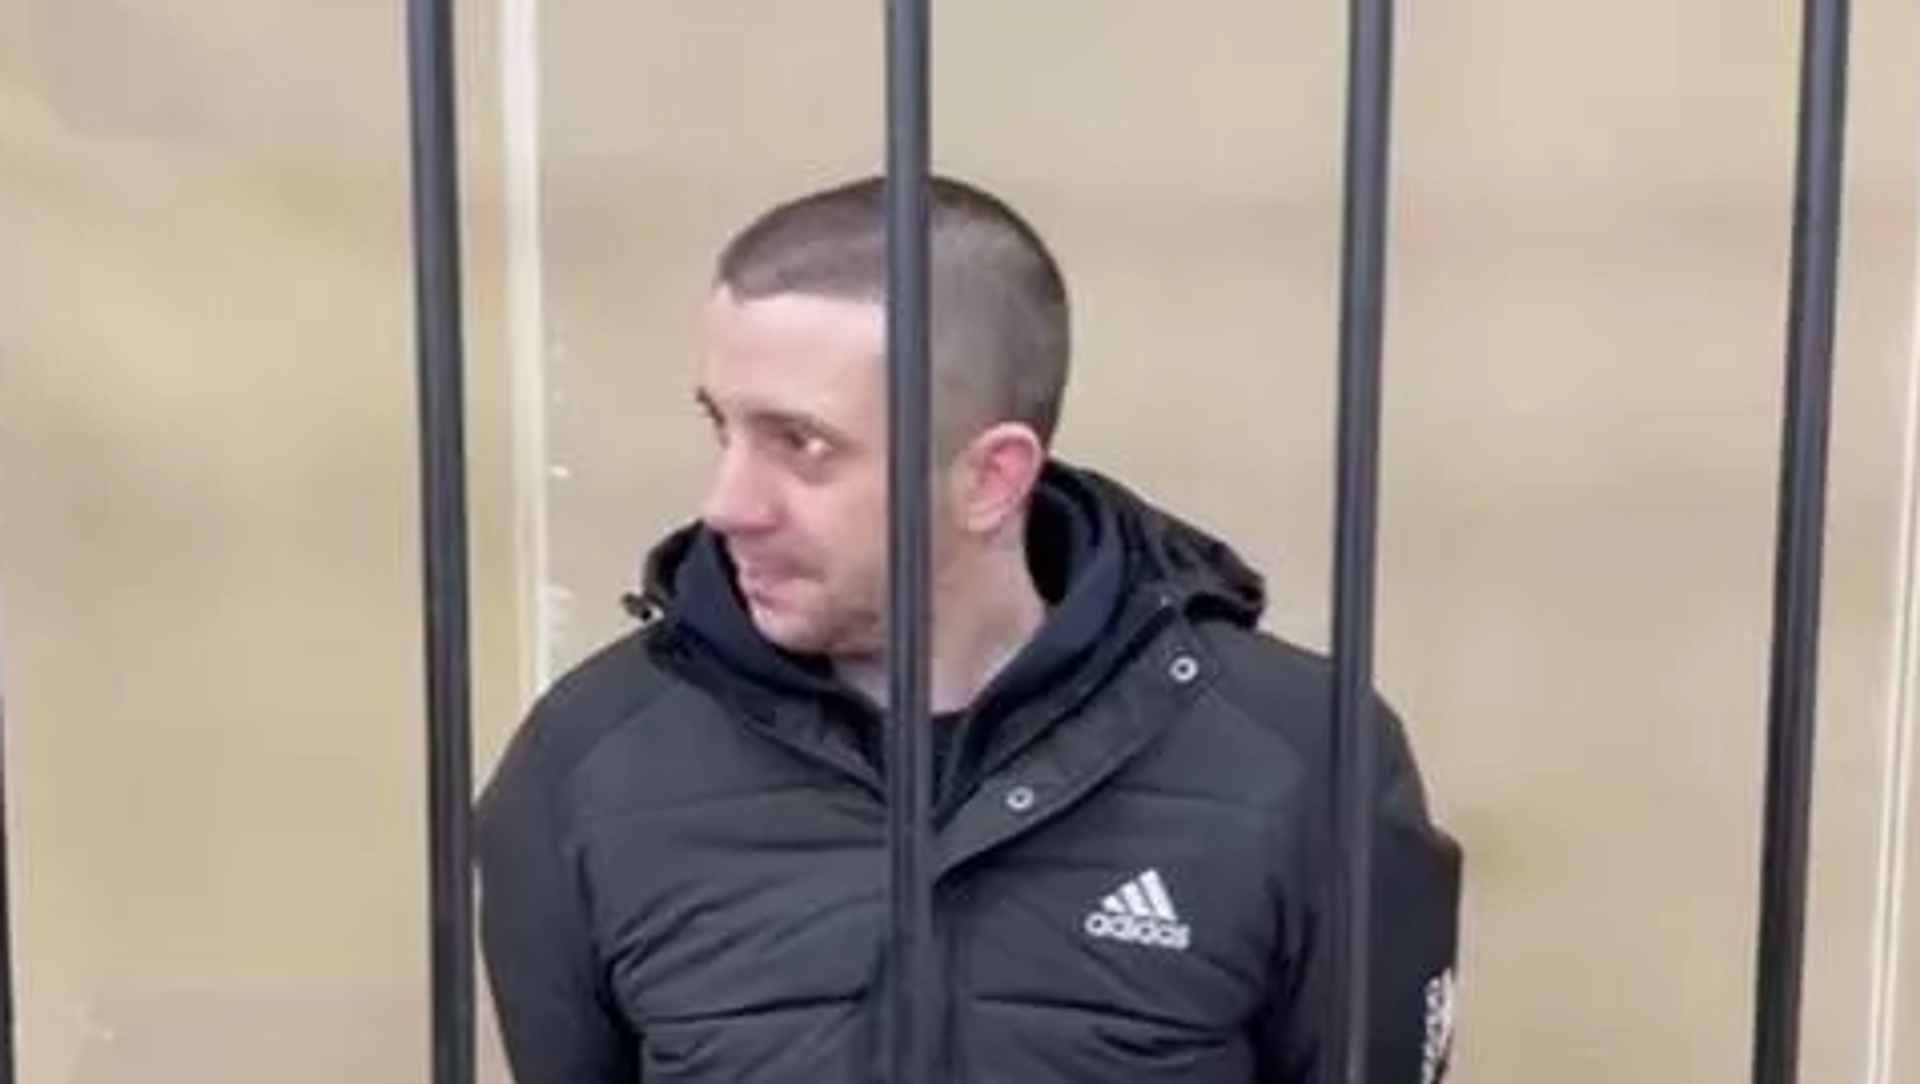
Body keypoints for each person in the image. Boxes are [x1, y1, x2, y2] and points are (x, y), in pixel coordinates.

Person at [474, 173, 1465, 1084]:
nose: (727, 502)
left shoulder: (1297, 756)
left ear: (992, 478)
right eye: (721, 426)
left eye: (800, 443)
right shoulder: (585, 762)